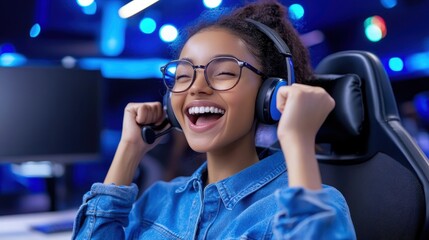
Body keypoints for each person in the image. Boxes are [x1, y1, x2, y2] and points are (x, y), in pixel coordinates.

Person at [72, 0, 356, 239]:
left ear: (269, 94)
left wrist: (298, 140)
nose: (196, 87)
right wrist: (129, 150)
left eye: (223, 73)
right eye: (183, 75)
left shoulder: (312, 204)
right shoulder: (157, 200)